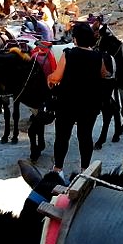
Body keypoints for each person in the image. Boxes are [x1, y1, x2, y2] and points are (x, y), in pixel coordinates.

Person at [47, 22, 108, 182]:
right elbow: (103, 74)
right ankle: (85, 170)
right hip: (90, 103)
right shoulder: (98, 56)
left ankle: (58, 169)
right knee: (85, 136)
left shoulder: (68, 54)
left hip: (67, 103)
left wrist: (49, 77)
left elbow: (57, 77)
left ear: (75, 39)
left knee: (62, 136)